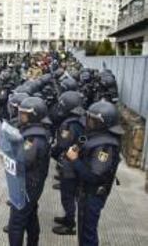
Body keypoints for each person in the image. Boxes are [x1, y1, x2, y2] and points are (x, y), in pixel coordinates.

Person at [66, 100, 123, 246]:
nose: (88, 122)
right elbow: (82, 141)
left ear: (103, 123)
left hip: (93, 195)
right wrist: (76, 147)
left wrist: (75, 160)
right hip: (85, 192)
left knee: (88, 234)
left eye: (93, 120)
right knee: (83, 229)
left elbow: (94, 176)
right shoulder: (92, 134)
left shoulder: (105, 147)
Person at [6, 97, 51, 246]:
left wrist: (6, 154)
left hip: (27, 186)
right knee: (31, 217)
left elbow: (23, 161)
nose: (20, 116)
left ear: (34, 115)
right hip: (32, 184)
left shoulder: (34, 138)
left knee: (16, 225)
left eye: (24, 114)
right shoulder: (36, 131)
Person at [51, 91, 85, 236]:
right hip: (77, 162)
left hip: (70, 166)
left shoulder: (69, 124)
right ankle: (67, 218)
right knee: (69, 195)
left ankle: (70, 225)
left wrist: (52, 153)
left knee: (67, 195)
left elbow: (62, 144)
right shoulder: (81, 120)